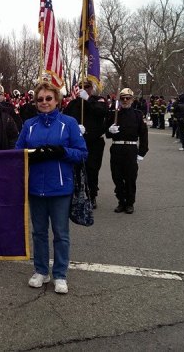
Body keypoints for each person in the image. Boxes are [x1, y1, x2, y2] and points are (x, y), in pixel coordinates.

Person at [15, 81, 87, 294]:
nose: (44, 102)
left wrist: (61, 152)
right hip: (35, 187)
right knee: (38, 233)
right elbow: (17, 153)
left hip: (60, 188)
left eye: (48, 98)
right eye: (40, 99)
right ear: (35, 102)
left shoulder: (69, 123)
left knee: (61, 233)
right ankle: (41, 270)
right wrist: (32, 156)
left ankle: (60, 274)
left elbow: (82, 153)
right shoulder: (29, 124)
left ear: (57, 100)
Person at [64, 78, 109, 208]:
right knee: (76, 169)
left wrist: (88, 100)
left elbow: (103, 112)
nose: (84, 88)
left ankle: (92, 196)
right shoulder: (73, 104)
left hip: (94, 142)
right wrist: (75, 127)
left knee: (92, 170)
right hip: (77, 143)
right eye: (81, 86)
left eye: (87, 86)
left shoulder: (98, 100)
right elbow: (65, 119)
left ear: (91, 88)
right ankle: (76, 195)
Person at [104, 88, 149, 214]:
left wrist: (142, 153)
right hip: (117, 148)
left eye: (127, 98)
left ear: (132, 99)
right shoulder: (114, 114)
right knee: (117, 177)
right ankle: (121, 202)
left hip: (131, 149)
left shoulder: (138, 115)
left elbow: (143, 135)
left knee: (130, 178)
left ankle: (129, 203)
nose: (125, 100)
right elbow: (106, 133)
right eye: (122, 98)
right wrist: (109, 130)